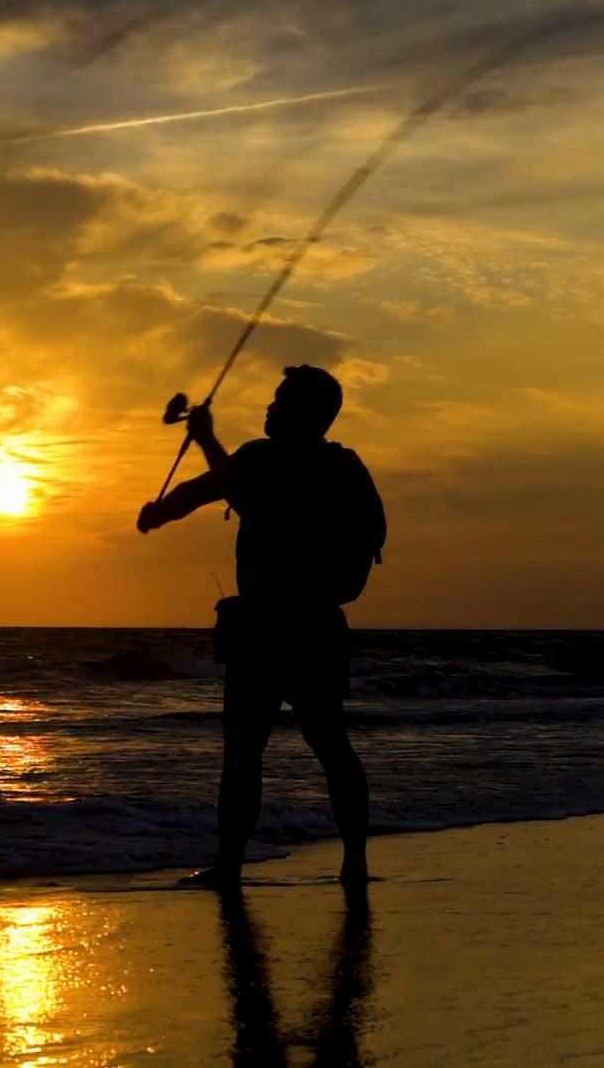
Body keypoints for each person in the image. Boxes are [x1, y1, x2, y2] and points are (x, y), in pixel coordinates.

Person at [136, 365, 384, 887]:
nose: (269, 408)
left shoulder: (261, 460)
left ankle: (229, 868)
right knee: (332, 746)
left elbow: (208, 490)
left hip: (265, 629)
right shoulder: (345, 466)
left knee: (244, 754)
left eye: (279, 400)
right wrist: (206, 439)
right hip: (319, 626)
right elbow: (237, 485)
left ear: (300, 410)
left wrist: (156, 513)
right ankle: (355, 865)